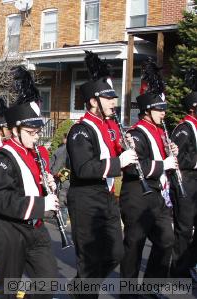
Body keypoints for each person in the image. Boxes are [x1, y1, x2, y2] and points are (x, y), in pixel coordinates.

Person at [66, 51, 137, 298]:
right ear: (94, 101)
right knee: (89, 259)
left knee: (116, 253)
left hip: (105, 197)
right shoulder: (80, 130)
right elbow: (85, 168)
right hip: (85, 198)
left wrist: (126, 147)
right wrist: (119, 161)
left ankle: (82, 287)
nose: (113, 102)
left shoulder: (108, 128)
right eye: (108, 98)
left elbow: (116, 151)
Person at [0, 66, 60, 299]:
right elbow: (2, 200)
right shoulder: (2, 157)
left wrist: (48, 184)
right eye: (31, 131)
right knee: (7, 289)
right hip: (10, 230)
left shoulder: (34, 153)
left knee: (47, 284)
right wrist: (42, 204)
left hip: (35, 229)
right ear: (15, 130)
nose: (36, 136)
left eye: (38, 131)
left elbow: (32, 186)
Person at [119, 59, 176, 295]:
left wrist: (173, 154)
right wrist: (163, 163)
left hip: (157, 195)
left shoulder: (161, 132)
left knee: (166, 240)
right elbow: (133, 167)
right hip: (136, 195)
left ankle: (151, 287)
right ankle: (128, 291)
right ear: (148, 111)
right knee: (134, 245)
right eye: (160, 109)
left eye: (164, 108)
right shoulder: (136, 133)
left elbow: (166, 164)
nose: (164, 113)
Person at [169, 68, 197, 281]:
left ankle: (189, 262)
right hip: (186, 180)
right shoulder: (184, 128)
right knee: (184, 227)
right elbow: (177, 157)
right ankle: (179, 268)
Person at [50, 134, 70, 226]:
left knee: (62, 199)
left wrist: (55, 174)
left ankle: (63, 221)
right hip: (70, 176)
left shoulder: (63, 150)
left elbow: (56, 166)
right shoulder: (73, 148)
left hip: (64, 177)